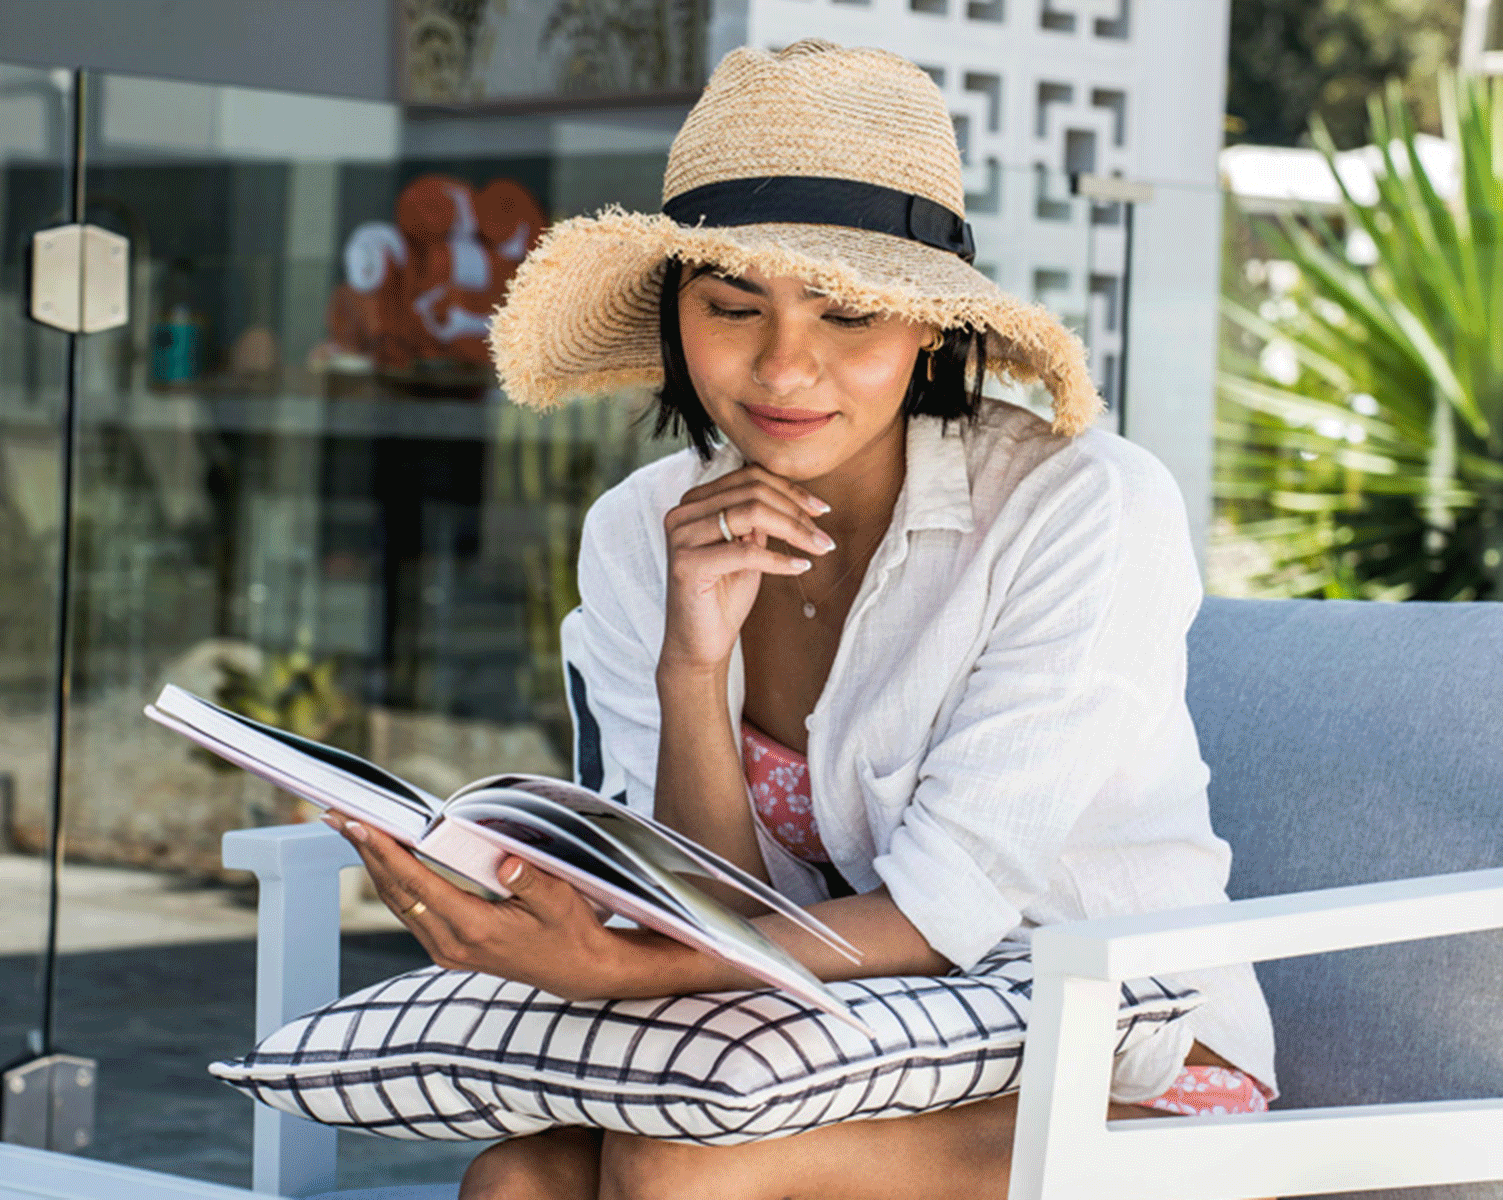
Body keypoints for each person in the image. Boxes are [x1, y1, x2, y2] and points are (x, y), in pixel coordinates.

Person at [321, 39, 1276, 1200]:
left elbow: (941, 915)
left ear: (931, 328)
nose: (783, 366)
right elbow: (713, 909)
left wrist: (616, 972)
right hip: (829, 1041)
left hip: (1128, 1061)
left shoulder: (1082, 507)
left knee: (682, 1166)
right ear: (676, 314)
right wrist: (692, 664)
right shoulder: (642, 533)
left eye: (850, 316)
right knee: (517, 1182)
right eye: (733, 306)